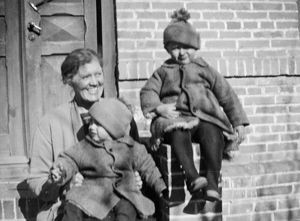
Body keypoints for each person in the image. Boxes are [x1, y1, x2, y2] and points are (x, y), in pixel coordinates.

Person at [140, 8, 249, 205]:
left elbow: (226, 94)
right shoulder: (163, 71)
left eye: (186, 47)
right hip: (176, 119)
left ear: (195, 46)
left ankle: (213, 184)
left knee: (213, 133)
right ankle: (193, 178)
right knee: (178, 132)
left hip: (205, 118)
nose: (181, 52)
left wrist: (238, 121)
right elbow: (148, 92)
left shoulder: (205, 69)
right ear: (167, 49)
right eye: (175, 47)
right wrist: (158, 108)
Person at [27, 48, 142, 221]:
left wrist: (135, 179)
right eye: (86, 77)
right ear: (69, 80)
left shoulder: (121, 116)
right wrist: (62, 186)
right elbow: (36, 181)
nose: (95, 82)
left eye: (98, 74)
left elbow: (135, 162)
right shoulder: (49, 123)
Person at [50, 98, 167, 221]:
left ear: (112, 128)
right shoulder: (85, 146)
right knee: (73, 204)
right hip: (91, 191)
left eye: (97, 124)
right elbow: (69, 158)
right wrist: (61, 169)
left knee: (128, 209)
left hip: (124, 192)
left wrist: (159, 185)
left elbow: (148, 166)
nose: (91, 127)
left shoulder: (131, 148)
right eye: (91, 122)